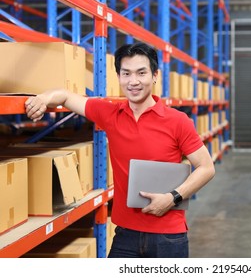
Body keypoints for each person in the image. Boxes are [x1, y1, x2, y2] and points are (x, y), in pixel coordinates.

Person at [25, 42, 215, 258]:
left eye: (141, 73)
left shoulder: (178, 121)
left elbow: (206, 167)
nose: (133, 81)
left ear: (155, 75)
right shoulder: (110, 113)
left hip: (168, 236)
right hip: (125, 235)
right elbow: (65, 96)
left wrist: (172, 198)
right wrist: (42, 99)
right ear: (119, 77)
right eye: (126, 74)